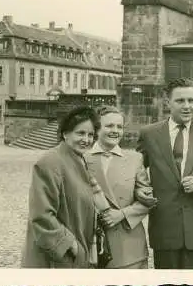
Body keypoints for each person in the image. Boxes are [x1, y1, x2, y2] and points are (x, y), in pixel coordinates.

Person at [135, 77, 193, 269]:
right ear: (167, 102)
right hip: (165, 226)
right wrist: (140, 189)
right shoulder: (149, 134)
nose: (187, 106)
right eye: (180, 101)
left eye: (191, 100)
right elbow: (134, 171)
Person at [21, 106, 100, 268]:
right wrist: (73, 246)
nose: (86, 139)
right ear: (65, 134)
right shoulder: (50, 162)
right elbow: (42, 216)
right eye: (80, 133)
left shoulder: (79, 159)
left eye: (90, 134)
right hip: (55, 257)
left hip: (72, 257)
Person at [84, 105, 151, 269]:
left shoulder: (135, 159)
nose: (115, 130)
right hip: (90, 243)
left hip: (128, 246)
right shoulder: (81, 158)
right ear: (96, 128)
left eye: (119, 127)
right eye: (109, 126)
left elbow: (148, 200)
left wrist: (121, 214)